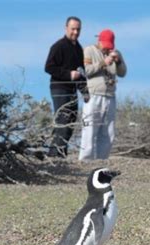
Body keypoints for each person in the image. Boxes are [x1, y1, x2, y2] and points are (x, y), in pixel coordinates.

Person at [78, 29, 126, 161]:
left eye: (109, 45)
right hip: (94, 95)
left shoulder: (116, 53)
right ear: (99, 40)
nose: (107, 48)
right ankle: (85, 160)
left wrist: (118, 61)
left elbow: (122, 73)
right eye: (105, 45)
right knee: (90, 129)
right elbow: (85, 71)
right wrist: (103, 63)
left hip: (110, 96)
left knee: (108, 132)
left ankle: (102, 160)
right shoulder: (89, 50)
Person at [45, 16, 87, 158]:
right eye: (73, 29)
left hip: (72, 90)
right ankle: (55, 154)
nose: (75, 32)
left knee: (71, 122)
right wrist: (68, 74)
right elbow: (49, 67)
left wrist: (84, 91)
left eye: (78, 29)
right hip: (59, 88)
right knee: (63, 120)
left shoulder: (79, 49)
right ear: (66, 28)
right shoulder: (58, 46)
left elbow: (81, 72)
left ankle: (58, 153)